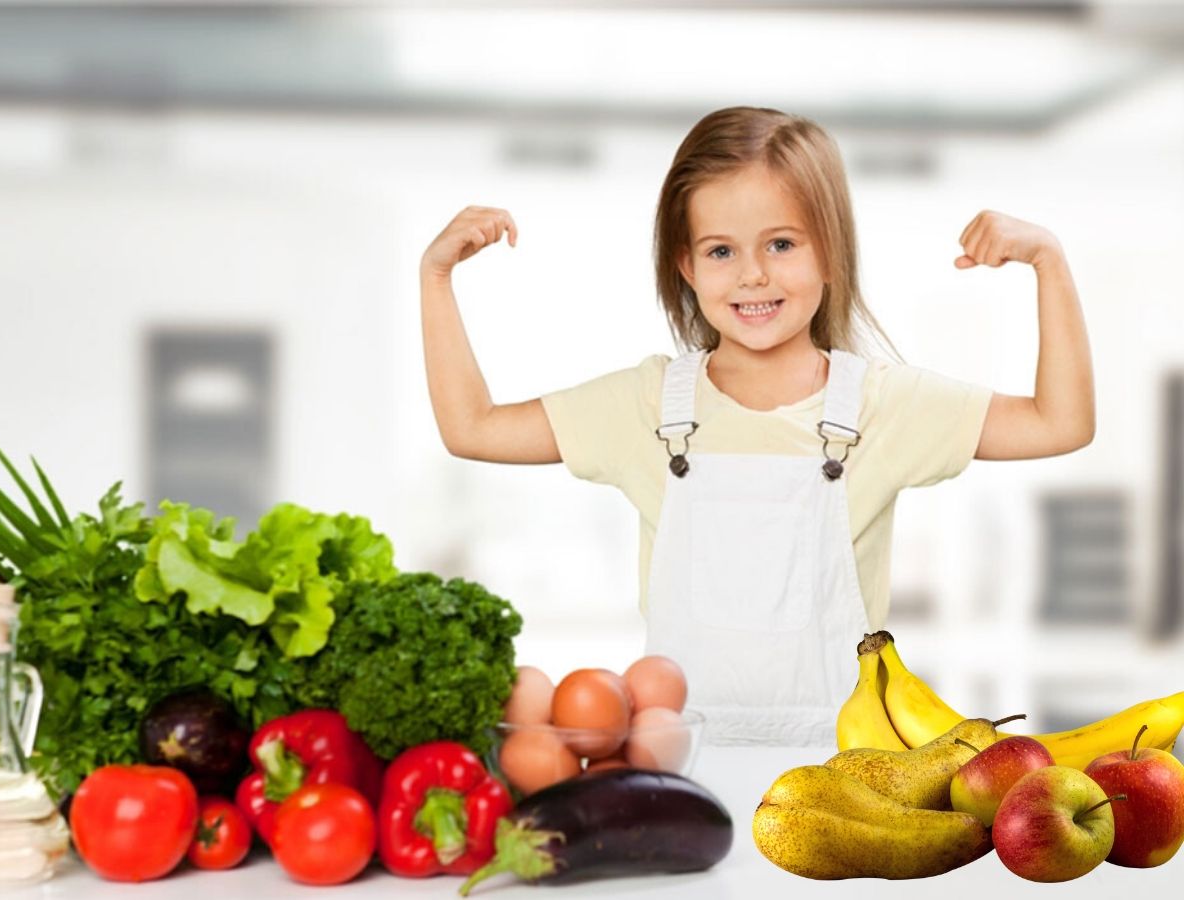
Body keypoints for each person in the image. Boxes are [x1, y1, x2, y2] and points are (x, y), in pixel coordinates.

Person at [419, 106, 1094, 746]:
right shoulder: (647, 406)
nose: (752, 275)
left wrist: (1050, 262)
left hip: (844, 771)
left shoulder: (883, 406)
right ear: (686, 266)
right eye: (720, 251)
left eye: (781, 243)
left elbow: (1058, 424)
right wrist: (436, 277)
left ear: (831, 254)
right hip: (681, 763)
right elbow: (473, 427)